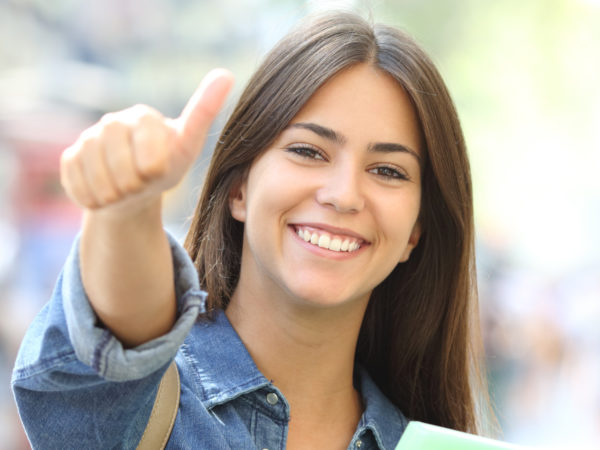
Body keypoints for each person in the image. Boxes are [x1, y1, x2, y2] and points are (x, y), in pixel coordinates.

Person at [12, 10, 492, 449]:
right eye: (308, 151)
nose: (344, 194)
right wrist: (128, 210)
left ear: (414, 232)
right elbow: (123, 341)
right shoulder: (142, 412)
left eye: (388, 170)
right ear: (239, 188)